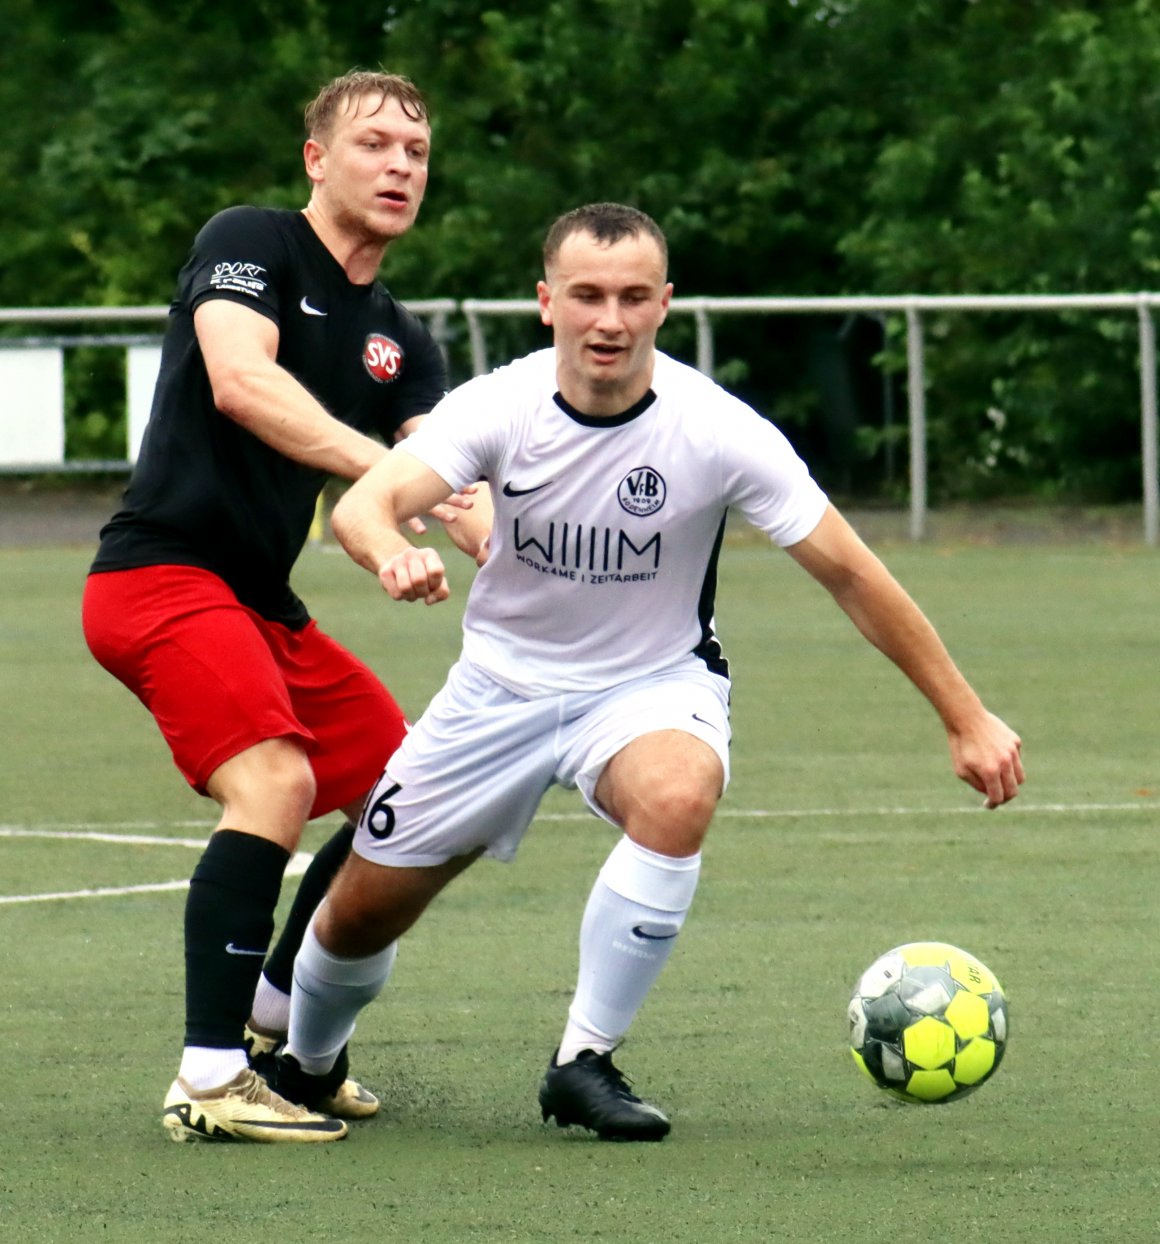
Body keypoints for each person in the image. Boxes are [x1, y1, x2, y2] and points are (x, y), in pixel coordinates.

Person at [268, 202, 1025, 1142]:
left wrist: (967, 716)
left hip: (649, 687)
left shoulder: (717, 429)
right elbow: (367, 504)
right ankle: (304, 1061)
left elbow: (850, 571)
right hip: (496, 691)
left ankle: (583, 1061)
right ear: (547, 303)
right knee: (354, 919)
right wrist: (390, 551)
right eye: (586, 295)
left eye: (633, 297)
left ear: (665, 304)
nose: (609, 320)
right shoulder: (499, 407)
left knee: (679, 795)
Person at [81, 69, 489, 1144]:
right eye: (373, 144)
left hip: (262, 603)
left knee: (409, 796)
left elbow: (446, 478)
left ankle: (272, 1025)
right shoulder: (251, 240)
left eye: (416, 149)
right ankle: (208, 1077)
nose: (399, 164)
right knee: (275, 777)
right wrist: (389, 489)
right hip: (159, 573)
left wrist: (495, 522)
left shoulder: (404, 334)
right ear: (318, 159)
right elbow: (239, 382)